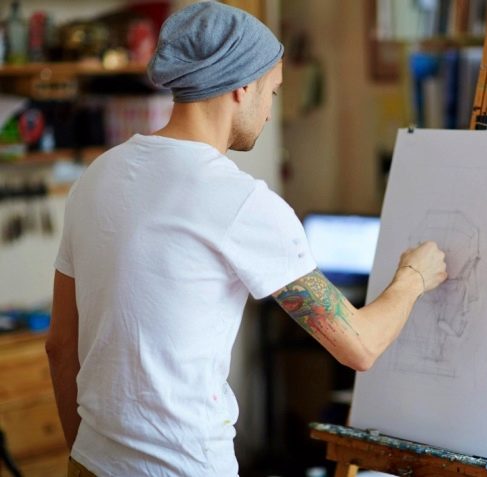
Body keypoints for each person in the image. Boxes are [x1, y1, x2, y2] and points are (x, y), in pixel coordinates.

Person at [46, 2, 448, 476]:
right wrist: (414, 276)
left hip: (91, 462)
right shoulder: (240, 201)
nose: (271, 112)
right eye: (272, 91)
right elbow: (360, 346)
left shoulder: (98, 176)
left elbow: (60, 346)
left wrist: (85, 454)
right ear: (242, 86)